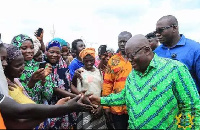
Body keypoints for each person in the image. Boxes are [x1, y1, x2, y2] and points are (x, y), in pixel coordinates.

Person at [89, 34, 200, 129]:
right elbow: (125, 96)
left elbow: (192, 107)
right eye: (127, 57)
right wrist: (100, 100)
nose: (129, 60)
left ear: (146, 50)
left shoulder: (175, 69)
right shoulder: (132, 75)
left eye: (132, 56)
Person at [154, 15, 200, 93]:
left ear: (174, 28)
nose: (157, 34)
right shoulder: (156, 52)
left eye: (161, 30)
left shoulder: (195, 49)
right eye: (156, 32)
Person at [11, 34, 54, 104]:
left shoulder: (40, 67)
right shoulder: (12, 69)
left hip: (39, 111)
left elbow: (48, 96)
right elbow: (16, 97)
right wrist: (31, 82)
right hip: (21, 111)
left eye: (32, 47)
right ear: (15, 48)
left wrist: (43, 81)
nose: (29, 51)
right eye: (24, 48)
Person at [102, 31, 132, 129]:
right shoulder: (113, 60)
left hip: (134, 105)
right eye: (120, 42)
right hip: (117, 106)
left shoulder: (136, 57)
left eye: (125, 41)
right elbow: (107, 83)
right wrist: (106, 106)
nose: (122, 44)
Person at [45, 40, 78, 129]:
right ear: (46, 51)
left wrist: (80, 94)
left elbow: (69, 83)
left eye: (58, 52)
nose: (55, 55)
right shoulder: (44, 66)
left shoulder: (63, 65)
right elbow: (55, 89)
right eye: (51, 52)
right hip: (53, 104)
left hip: (68, 102)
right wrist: (75, 96)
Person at [73, 48, 107, 129]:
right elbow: (75, 88)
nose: (89, 63)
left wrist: (100, 107)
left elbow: (102, 90)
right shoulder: (79, 72)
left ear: (94, 60)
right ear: (82, 60)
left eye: (91, 60)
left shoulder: (99, 72)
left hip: (98, 106)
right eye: (86, 61)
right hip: (85, 106)